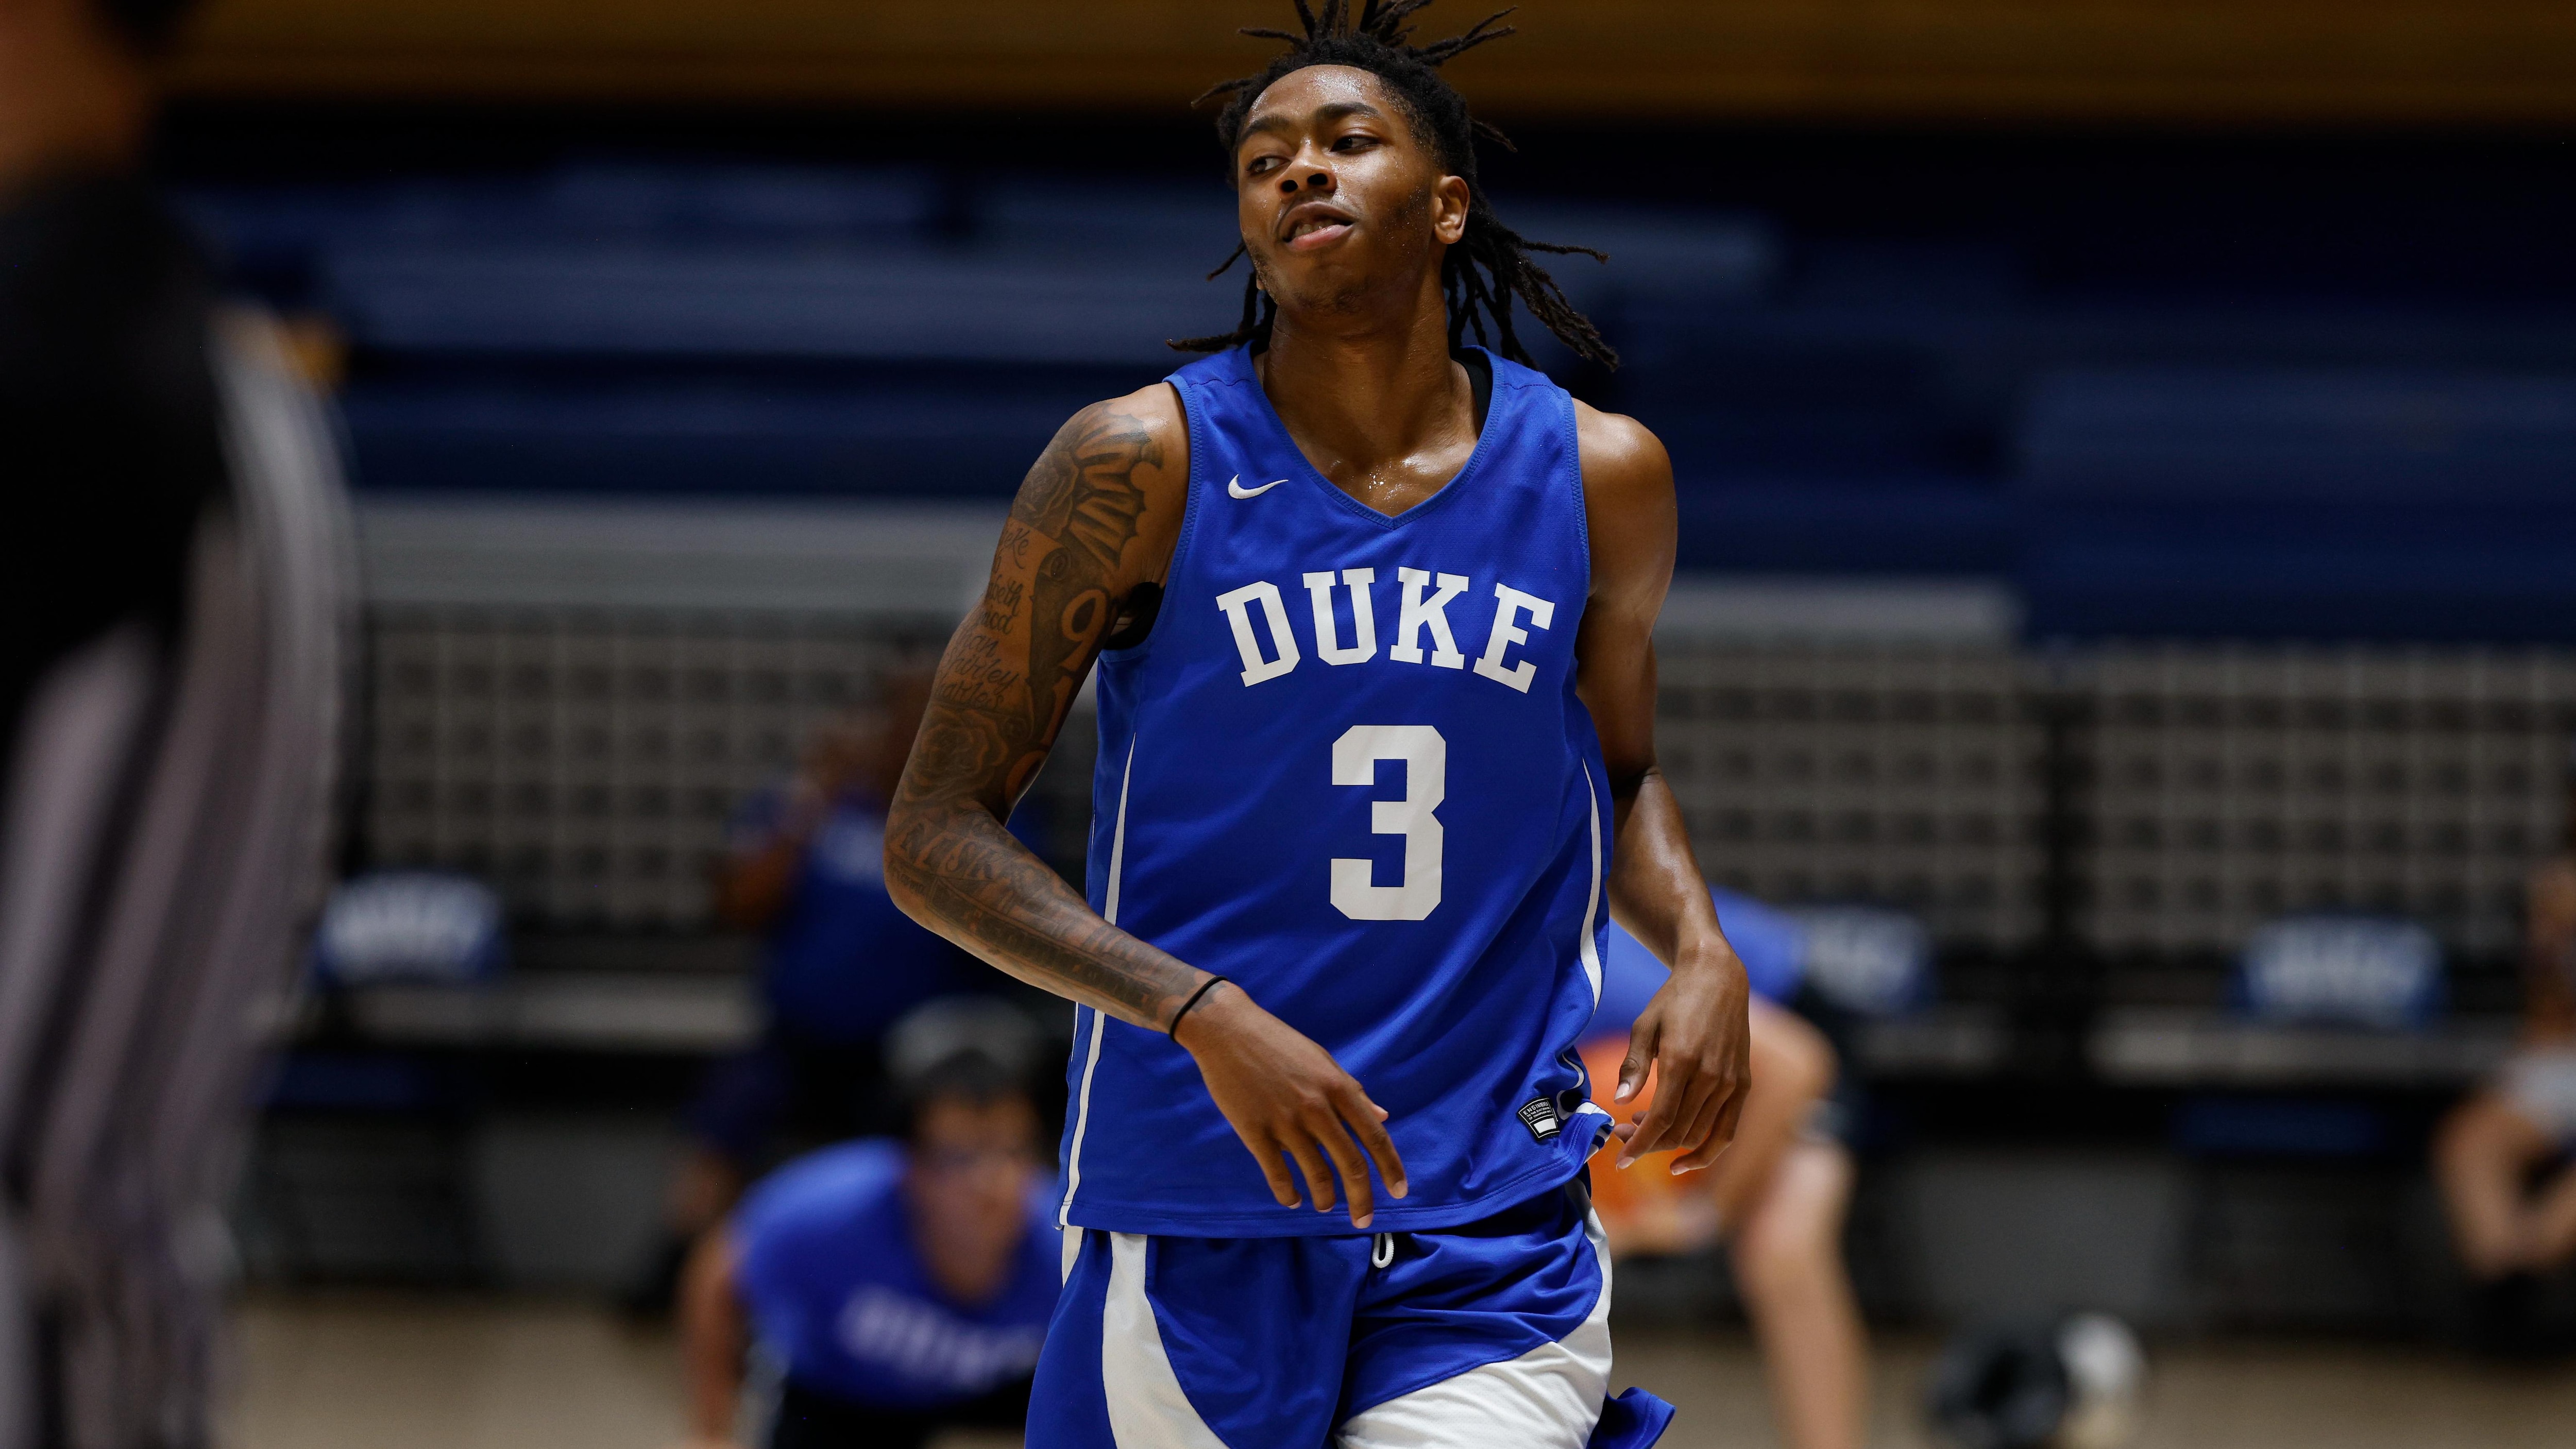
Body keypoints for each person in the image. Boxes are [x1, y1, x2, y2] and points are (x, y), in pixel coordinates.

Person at [882, 7, 1753, 1447]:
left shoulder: (1603, 476)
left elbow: (1616, 761)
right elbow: (930, 834)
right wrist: (1197, 1007)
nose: (1301, 174)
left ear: (1450, 203)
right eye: (1266, 159)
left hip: (1495, 1208)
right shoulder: (1137, 463)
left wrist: (1703, 944)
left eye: (1348, 143)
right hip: (1203, 1190)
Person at [641, 674, 985, 1309]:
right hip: (796, 1036)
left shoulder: (966, 815)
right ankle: (676, 1268)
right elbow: (739, 902)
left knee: (937, 1132)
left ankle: (919, 1283)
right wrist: (811, 800)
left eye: (929, 725)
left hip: (908, 1049)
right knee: (725, 1111)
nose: (909, 739)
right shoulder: (813, 805)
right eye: (898, 723)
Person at [677, 1001, 1061, 1448]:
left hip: (993, 1390)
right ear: (910, 1166)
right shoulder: (823, 1213)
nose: (992, 1182)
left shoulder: (1068, 1245)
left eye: (1013, 1151)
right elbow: (716, 1276)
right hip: (840, 1392)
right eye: (960, 1157)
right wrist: (710, 1430)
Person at [1581, 889, 1869, 1449]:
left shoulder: (1599, 967)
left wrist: (1703, 1216)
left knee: (1780, 1249)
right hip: (1688, 1079)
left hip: (1785, 1038)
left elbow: (1795, 1063)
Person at [2434, 758, 2576, 1354]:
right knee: (2468, 1141)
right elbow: (2543, 1011)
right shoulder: (2556, 890)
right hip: (2561, 1061)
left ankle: (2534, 1256)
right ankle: (2506, 1292)